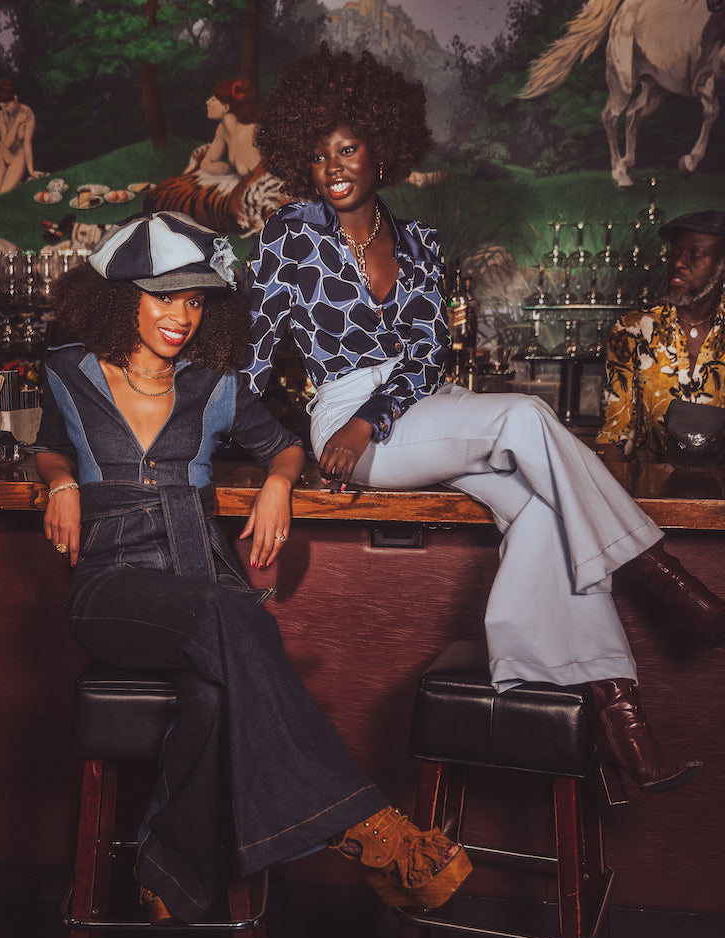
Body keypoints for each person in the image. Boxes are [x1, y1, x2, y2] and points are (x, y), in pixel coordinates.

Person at [244, 44, 718, 795]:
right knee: (527, 416)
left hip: (419, 407)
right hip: (343, 417)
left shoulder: (422, 243)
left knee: (542, 510)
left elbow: (429, 352)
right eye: (318, 153)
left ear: (380, 148)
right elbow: (252, 358)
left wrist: (381, 413)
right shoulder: (290, 238)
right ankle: (663, 579)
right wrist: (282, 452)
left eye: (348, 146)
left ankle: (623, 724)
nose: (332, 165)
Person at [32, 210, 471, 924]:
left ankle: (166, 871)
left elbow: (286, 447)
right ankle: (364, 828)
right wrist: (59, 482)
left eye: (197, 298)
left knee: (210, 694)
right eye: (165, 294)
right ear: (124, 296)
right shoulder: (67, 370)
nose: (182, 315)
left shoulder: (218, 385)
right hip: (110, 582)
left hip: (197, 570)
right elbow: (51, 445)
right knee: (227, 611)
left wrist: (277, 484)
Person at [597, 210, 725, 462]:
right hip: (651, 487)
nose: (678, 263)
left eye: (695, 255)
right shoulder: (631, 330)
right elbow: (617, 432)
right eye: (675, 253)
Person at [145, 78, 289, 237]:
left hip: (258, 191)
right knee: (165, 196)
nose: (208, 102)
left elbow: (265, 176)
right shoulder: (223, 129)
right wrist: (208, 165)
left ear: (226, 107)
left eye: (213, 99)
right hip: (239, 184)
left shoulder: (250, 132)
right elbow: (209, 159)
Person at [0, 78, 43, 193]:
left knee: (4, 193)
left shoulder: (28, 114)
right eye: (2, 106)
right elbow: (7, 143)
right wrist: (17, 122)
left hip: (18, 156)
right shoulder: (1, 115)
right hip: (2, 153)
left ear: (15, 98)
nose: (4, 109)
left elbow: (27, 144)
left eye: (7, 105)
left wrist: (31, 170)